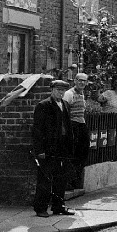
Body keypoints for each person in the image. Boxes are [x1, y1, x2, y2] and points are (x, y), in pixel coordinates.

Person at [32, 79, 75, 217]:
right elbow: (37, 130)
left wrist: (70, 146)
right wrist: (39, 150)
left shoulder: (66, 105)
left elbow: (68, 127)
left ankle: (58, 206)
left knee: (61, 178)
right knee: (45, 178)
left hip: (62, 147)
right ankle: (40, 208)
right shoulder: (43, 105)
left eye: (62, 90)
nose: (60, 92)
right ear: (52, 90)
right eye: (58, 90)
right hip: (48, 148)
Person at [62, 72, 89, 190]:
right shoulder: (69, 94)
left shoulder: (82, 94)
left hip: (81, 124)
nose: (82, 83)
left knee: (82, 153)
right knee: (71, 153)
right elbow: (64, 111)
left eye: (84, 81)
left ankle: (76, 181)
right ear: (75, 81)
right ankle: (68, 183)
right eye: (80, 80)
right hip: (73, 125)